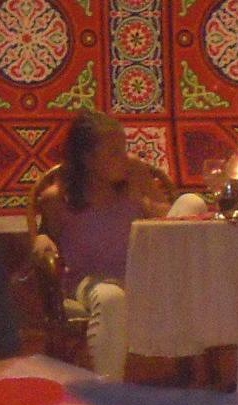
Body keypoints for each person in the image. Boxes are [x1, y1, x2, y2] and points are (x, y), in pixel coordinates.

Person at [35, 112, 170, 383]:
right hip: (89, 281)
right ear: (88, 159)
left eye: (124, 149)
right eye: (114, 152)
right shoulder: (59, 199)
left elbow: (172, 222)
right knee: (110, 297)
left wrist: (143, 195)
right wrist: (41, 240)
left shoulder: (133, 184)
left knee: (192, 202)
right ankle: (108, 388)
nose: (125, 158)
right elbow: (45, 237)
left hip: (141, 277)